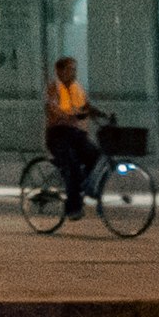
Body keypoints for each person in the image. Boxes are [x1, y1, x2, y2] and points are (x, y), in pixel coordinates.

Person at [42, 54, 98, 223]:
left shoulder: (77, 88)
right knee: (72, 166)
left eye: (74, 69)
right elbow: (52, 108)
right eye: (69, 69)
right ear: (59, 71)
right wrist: (68, 116)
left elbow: (86, 106)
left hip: (76, 135)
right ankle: (72, 207)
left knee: (95, 155)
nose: (73, 72)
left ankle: (79, 187)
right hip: (58, 134)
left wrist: (100, 114)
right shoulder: (54, 88)